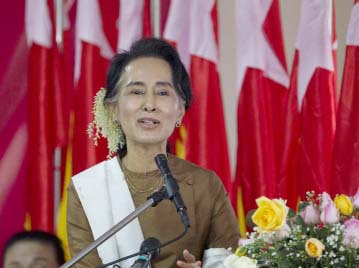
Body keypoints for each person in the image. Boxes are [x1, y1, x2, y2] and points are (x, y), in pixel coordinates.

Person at [67, 38, 240, 268]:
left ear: (180, 111)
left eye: (162, 92)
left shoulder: (204, 185)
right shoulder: (87, 189)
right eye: (137, 91)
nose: (149, 104)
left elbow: (233, 263)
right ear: (113, 108)